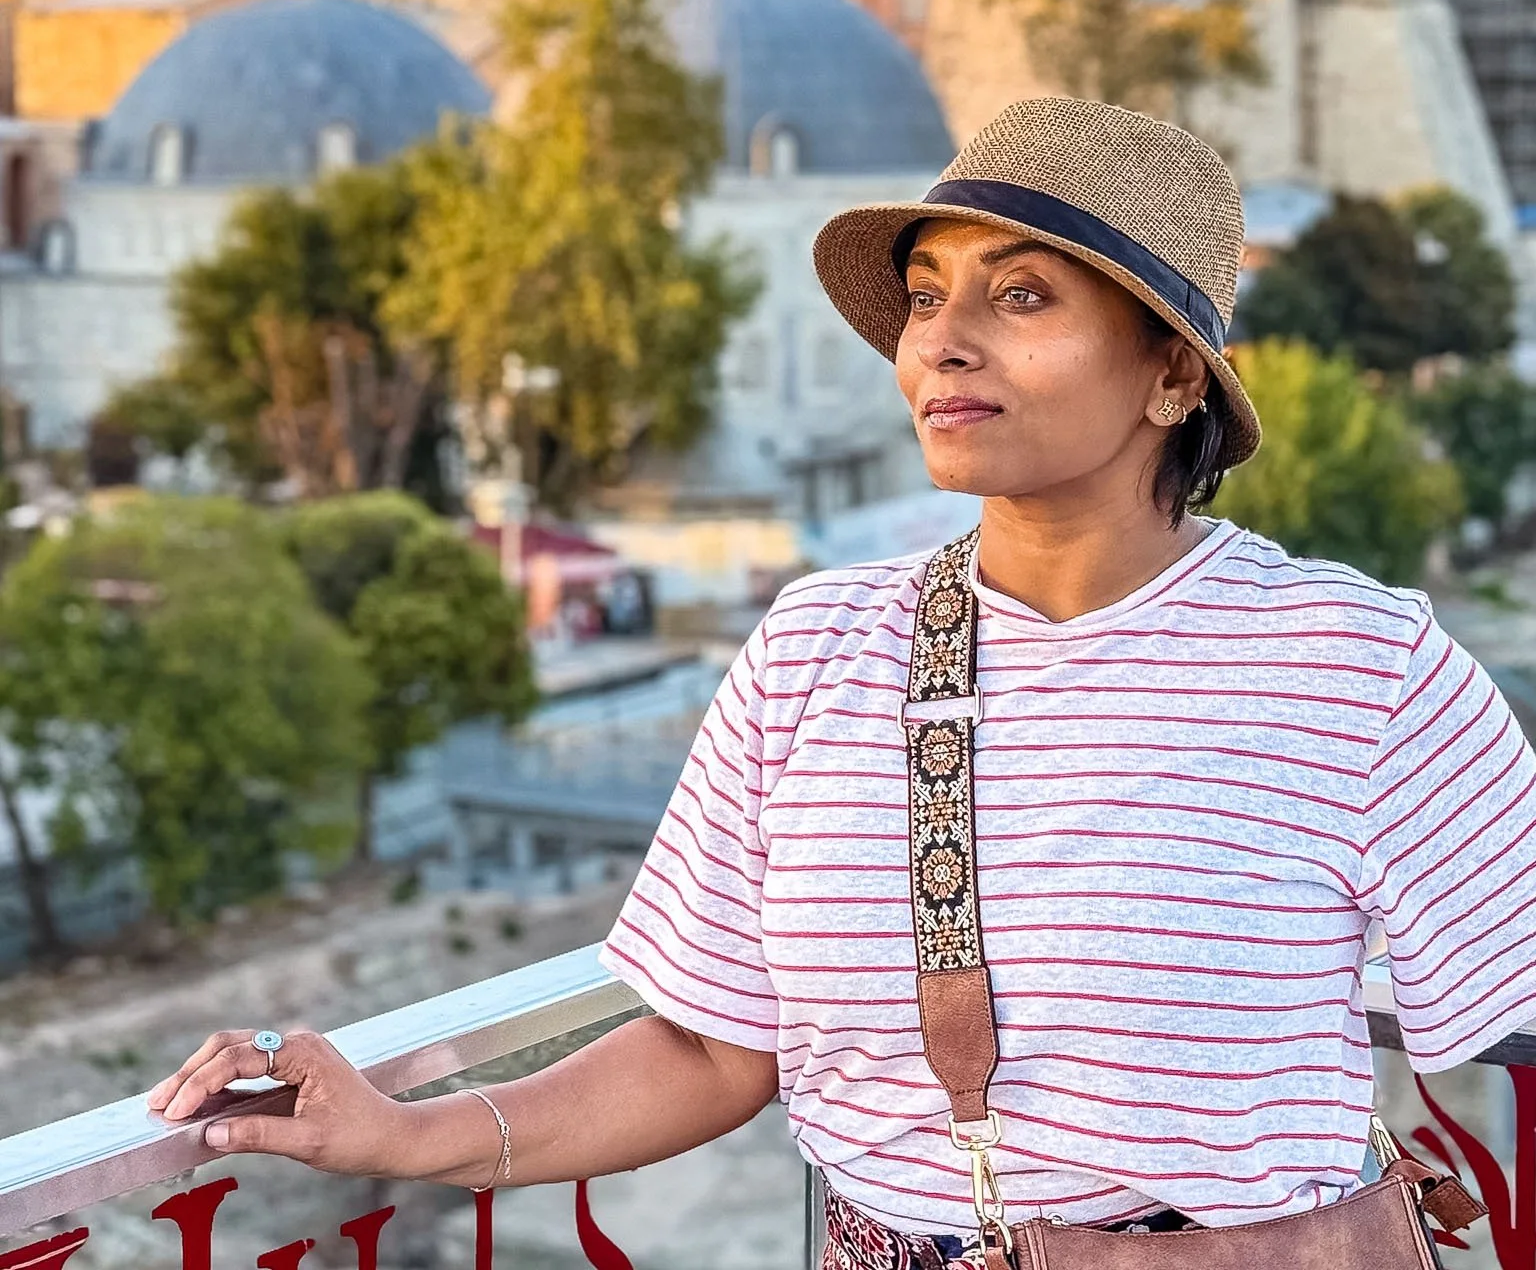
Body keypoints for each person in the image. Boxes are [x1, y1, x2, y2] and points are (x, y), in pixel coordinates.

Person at [150, 98, 1536, 1262]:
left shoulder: (1356, 668)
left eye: (1022, 295)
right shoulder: (819, 651)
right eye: (929, 296)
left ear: (1173, 376)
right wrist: (403, 1132)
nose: (942, 340)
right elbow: (713, 1053)